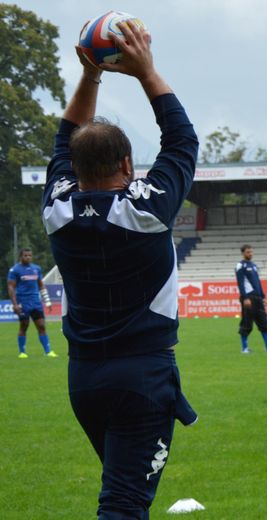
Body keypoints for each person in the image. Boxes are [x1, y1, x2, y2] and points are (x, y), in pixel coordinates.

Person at [43, 22, 198, 517]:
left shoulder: (58, 210)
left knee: (125, 494)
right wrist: (146, 70)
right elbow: (182, 140)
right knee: (124, 504)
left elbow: (64, 141)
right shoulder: (145, 211)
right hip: (142, 377)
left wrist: (91, 77)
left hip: (85, 377)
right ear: (129, 165)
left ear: (72, 167)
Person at [7, 248, 56, 358]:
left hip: (36, 302)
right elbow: (11, 287)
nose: (28, 257)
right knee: (24, 325)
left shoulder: (36, 269)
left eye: (30, 255)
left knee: (41, 326)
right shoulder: (15, 270)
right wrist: (14, 304)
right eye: (26, 255)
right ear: (21, 256)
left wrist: (47, 301)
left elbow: (41, 285)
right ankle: (22, 352)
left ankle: (48, 351)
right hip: (23, 302)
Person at [236, 245, 267, 353]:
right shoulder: (240, 265)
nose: (250, 254)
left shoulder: (253, 265)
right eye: (248, 252)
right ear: (243, 253)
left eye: (251, 252)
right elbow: (240, 283)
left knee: (264, 323)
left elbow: (258, 282)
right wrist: (245, 298)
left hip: (258, 299)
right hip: (249, 298)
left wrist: (263, 296)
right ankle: (244, 348)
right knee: (247, 323)